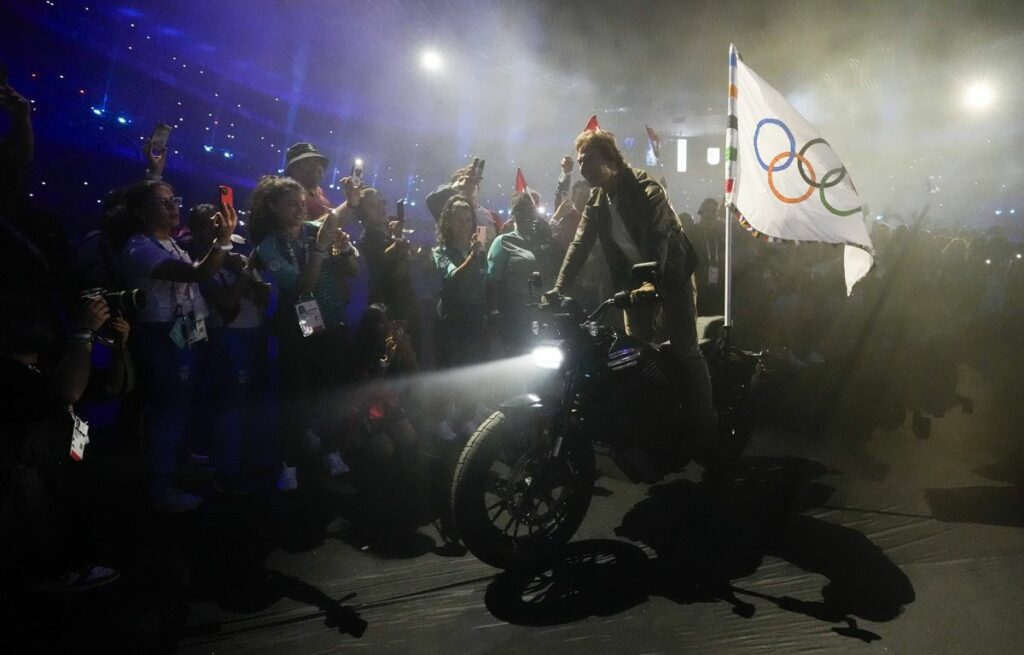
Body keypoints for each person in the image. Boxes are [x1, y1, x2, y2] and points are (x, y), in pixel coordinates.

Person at [544, 129, 718, 470]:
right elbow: (579, 245)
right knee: (634, 357)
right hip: (634, 283)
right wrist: (559, 288)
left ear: (609, 158)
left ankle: (708, 427)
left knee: (686, 351)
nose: (583, 169)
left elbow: (658, 237)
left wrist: (650, 282)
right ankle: (651, 426)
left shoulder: (646, 188)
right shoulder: (597, 200)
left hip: (671, 276)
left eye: (587, 161)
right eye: (579, 163)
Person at [117, 180, 237, 512]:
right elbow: (196, 275)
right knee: (165, 413)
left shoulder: (167, 242)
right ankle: (159, 489)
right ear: (141, 212)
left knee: (177, 407)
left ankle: (176, 464)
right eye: (163, 203)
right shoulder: (140, 248)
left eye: (174, 200)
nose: (173, 207)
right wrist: (223, 240)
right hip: (161, 335)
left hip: (180, 334)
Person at [251, 175, 359, 490]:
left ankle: (331, 449)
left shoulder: (314, 231)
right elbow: (302, 287)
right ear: (272, 206)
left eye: (302, 205)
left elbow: (349, 264)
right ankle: (289, 462)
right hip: (295, 328)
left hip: (330, 321)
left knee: (330, 391)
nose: (299, 211)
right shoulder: (267, 246)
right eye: (291, 205)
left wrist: (347, 243)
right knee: (296, 395)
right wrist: (321, 251)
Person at [187, 204, 271, 492]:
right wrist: (246, 275)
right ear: (197, 231)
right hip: (228, 337)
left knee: (251, 401)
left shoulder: (237, 258)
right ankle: (228, 471)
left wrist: (249, 277)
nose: (216, 229)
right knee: (230, 405)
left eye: (219, 224)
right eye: (209, 225)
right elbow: (225, 302)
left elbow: (263, 295)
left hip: (256, 332)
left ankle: (247, 460)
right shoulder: (199, 263)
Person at [486, 192, 560, 356]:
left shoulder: (544, 239)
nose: (527, 215)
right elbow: (492, 280)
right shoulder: (503, 241)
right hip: (517, 312)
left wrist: (549, 236)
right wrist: (494, 312)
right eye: (522, 210)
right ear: (514, 214)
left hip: (546, 309)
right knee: (520, 356)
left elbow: (559, 265)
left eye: (531, 210)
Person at [355, 188, 421, 356]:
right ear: (362, 214)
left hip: (407, 300)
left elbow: (411, 257)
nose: (380, 208)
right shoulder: (366, 238)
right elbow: (385, 259)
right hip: (388, 306)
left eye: (381, 203)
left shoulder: (391, 228)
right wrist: (398, 240)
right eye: (372, 206)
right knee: (396, 357)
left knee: (415, 351)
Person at [432, 195, 487, 369]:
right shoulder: (441, 252)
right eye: (459, 220)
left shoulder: (480, 251)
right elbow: (452, 276)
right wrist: (472, 257)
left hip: (477, 320)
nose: (464, 225)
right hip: (453, 322)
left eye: (468, 220)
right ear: (448, 222)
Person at [426, 161, 502, 244]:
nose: (468, 185)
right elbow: (431, 199)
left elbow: (494, 247)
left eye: (471, 181)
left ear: (478, 188)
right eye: (464, 181)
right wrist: (456, 186)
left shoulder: (492, 217)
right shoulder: (450, 215)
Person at [688, 197, 725, 316]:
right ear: (702, 212)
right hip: (698, 287)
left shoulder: (717, 235)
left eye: (715, 211)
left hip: (716, 288)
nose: (713, 215)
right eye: (709, 211)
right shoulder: (691, 233)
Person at [284, 141, 336, 223]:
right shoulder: (286, 193)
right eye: (309, 162)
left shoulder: (319, 192)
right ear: (294, 169)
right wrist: (350, 204)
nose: (317, 166)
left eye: (318, 162)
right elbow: (299, 229)